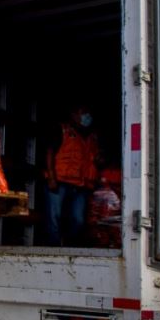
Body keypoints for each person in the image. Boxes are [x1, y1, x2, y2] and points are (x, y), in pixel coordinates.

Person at [44, 103, 101, 246]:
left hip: (81, 186)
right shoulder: (62, 130)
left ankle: (69, 246)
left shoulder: (92, 137)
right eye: (83, 112)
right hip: (60, 181)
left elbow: (96, 158)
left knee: (79, 220)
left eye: (88, 112)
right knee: (54, 216)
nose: (87, 116)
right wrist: (51, 177)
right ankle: (54, 249)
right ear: (74, 115)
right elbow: (50, 152)